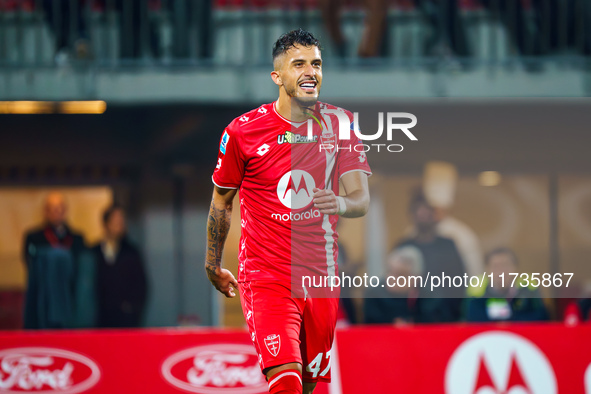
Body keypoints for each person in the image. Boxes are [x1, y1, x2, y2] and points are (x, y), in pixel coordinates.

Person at [205, 29, 371, 394]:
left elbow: (360, 198)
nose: (310, 71)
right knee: (287, 380)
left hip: (320, 276)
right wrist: (212, 263)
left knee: (308, 385)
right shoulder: (242, 132)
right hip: (267, 276)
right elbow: (221, 201)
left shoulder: (340, 125)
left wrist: (341, 202)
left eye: (316, 63)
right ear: (277, 77)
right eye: (299, 64)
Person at [396, 189, 466, 322]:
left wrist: (457, 312)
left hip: (446, 317)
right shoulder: (403, 247)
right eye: (419, 211)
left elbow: (459, 280)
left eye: (427, 211)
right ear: (412, 215)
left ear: (435, 215)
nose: (423, 215)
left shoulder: (448, 246)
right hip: (412, 318)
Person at [22, 192, 86, 328]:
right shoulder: (34, 238)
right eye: (52, 208)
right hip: (43, 300)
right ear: (46, 211)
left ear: (65, 210)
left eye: (60, 208)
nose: (56, 212)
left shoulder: (77, 239)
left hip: (71, 300)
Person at [92, 204, 147, 328]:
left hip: (126, 319)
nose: (120, 224)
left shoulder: (131, 252)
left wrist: (131, 308)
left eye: (122, 220)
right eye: (116, 220)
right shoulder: (94, 252)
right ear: (107, 223)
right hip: (100, 319)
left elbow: (141, 285)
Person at [465, 247, 549, 322]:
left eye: (505, 265)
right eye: (495, 266)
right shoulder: (478, 294)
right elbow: (472, 319)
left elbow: (541, 317)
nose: (501, 271)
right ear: (487, 270)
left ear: (515, 268)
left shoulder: (528, 291)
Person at [364, 245, 425, 325]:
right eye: (389, 272)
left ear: (416, 278)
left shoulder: (427, 295)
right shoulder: (374, 293)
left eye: (400, 275)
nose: (392, 279)